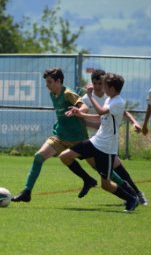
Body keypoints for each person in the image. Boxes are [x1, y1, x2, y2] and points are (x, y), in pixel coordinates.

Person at [12, 68, 97, 202]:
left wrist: (77, 110)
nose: (47, 85)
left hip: (78, 139)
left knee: (100, 167)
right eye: (46, 82)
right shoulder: (53, 94)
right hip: (60, 137)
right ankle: (26, 192)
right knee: (38, 157)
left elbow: (84, 108)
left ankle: (129, 191)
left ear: (58, 81)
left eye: (50, 82)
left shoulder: (68, 93)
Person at [59, 73, 139, 212]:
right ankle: (88, 180)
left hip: (106, 148)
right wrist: (81, 114)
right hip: (95, 141)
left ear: (112, 88)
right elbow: (100, 118)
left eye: (106, 86)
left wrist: (90, 95)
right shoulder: (110, 99)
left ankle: (131, 198)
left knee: (106, 185)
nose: (103, 88)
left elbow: (101, 112)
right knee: (65, 156)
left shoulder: (118, 102)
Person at [82, 69, 148, 205]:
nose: (98, 86)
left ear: (107, 85)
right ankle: (131, 195)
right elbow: (85, 116)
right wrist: (82, 116)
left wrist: (135, 122)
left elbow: (122, 112)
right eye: (96, 83)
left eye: (101, 83)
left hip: (107, 142)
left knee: (117, 170)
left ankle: (135, 194)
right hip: (94, 140)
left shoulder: (109, 98)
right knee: (109, 173)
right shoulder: (85, 98)